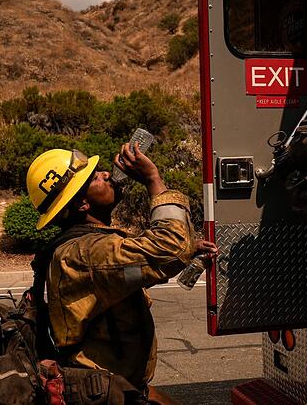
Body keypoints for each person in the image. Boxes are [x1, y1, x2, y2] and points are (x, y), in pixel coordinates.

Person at [25, 143, 216, 404]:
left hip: (118, 387)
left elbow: (129, 272)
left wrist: (186, 251)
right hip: (103, 392)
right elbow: (170, 247)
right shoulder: (85, 253)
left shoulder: (83, 247)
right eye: (94, 178)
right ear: (82, 203)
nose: (105, 174)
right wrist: (153, 179)